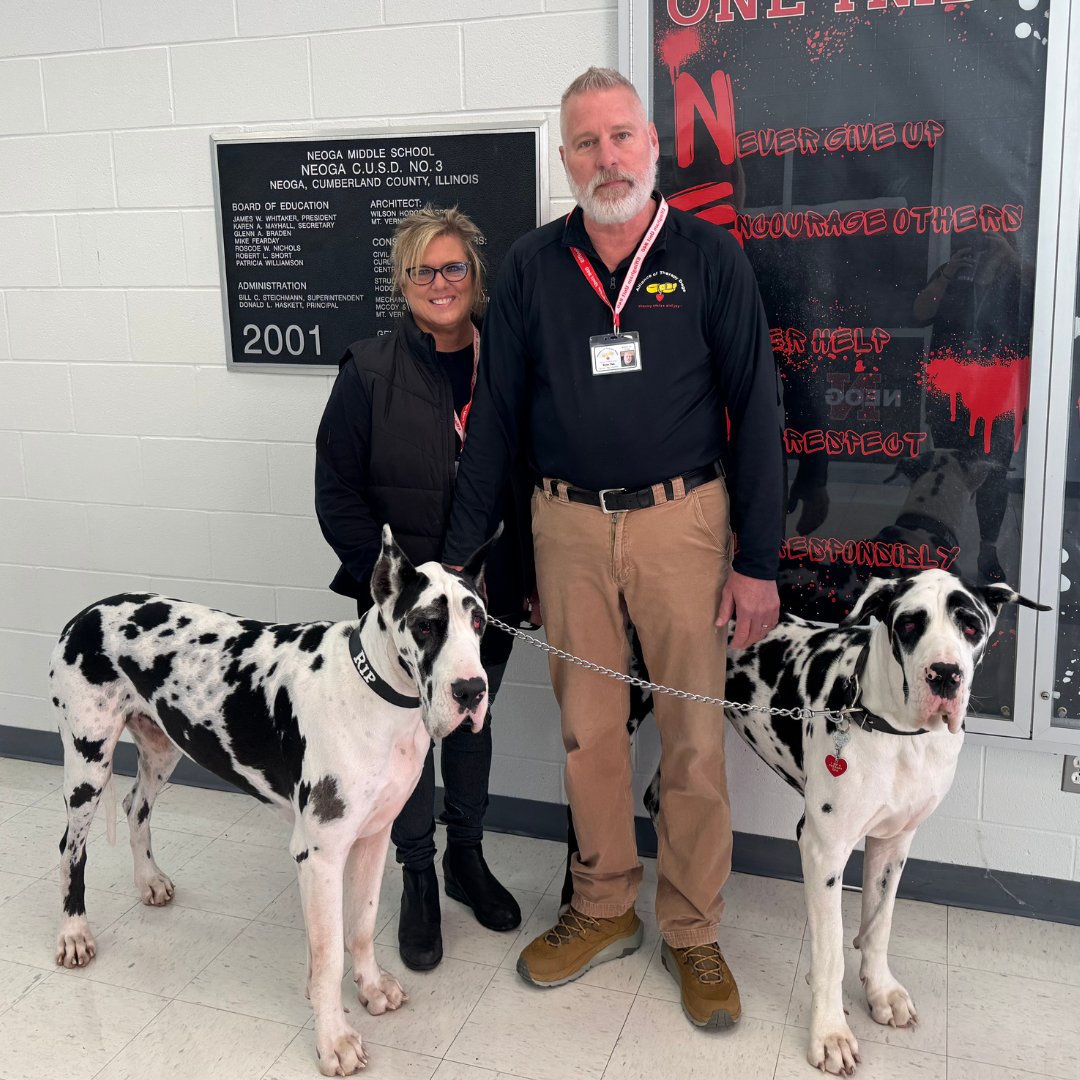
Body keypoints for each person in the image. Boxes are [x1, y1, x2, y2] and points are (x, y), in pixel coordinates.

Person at [442, 68, 784, 1029]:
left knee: (692, 736)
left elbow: (757, 411)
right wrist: (470, 561)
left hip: (686, 525)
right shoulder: (531, 267)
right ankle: (601, 908)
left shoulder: (709, 259)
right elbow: (498, 419)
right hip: (567, 527)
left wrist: (758, 561)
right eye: (586, 143)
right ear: (565, 159)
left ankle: (692, 928)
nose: (606, 158)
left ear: (653, 146)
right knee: (589, 731)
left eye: (621, 137)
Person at [315, 205, 530, 972]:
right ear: (402, 283)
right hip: (400, 617)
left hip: (483, 601)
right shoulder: (368, 370)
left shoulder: (510, 360)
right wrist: (389, 591)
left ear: (475, 276)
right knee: (401, 740)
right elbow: (336, 491)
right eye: (422, 271)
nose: (440, 284)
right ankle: (414, 874)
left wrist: (525, 580)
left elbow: (527, 484)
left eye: (453, 268)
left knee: (471, 724)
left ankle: (464, 859)